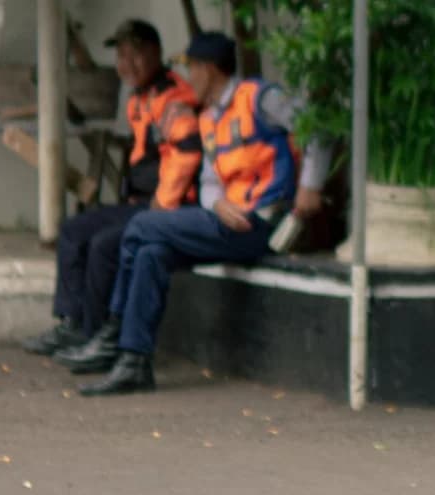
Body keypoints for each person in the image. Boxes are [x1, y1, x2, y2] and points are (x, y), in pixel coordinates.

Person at [58, 31, 333, 395]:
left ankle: (112, 331)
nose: (188, 79)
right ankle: (133, 361)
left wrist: (310, 188)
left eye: (191, 70)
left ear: (208, 70)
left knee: (141, 225)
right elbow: (210, 183)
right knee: (151, 254)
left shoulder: (259, 97)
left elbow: (319, 130)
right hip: (227, 220)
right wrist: (216, 203)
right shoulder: (209, 118)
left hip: (263, 221)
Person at [22, 19, 200, 359]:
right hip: (140, 202)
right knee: (73, 232)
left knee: (104, 245)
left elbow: (186, 154)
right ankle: (73, 324)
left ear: (156, 53)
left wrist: (162, 205)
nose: (126, 64)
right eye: (121, 55)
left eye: (135, 54)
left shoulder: (174, 97)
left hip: (168, 207)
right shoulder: (138, 99)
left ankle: (95, 337)